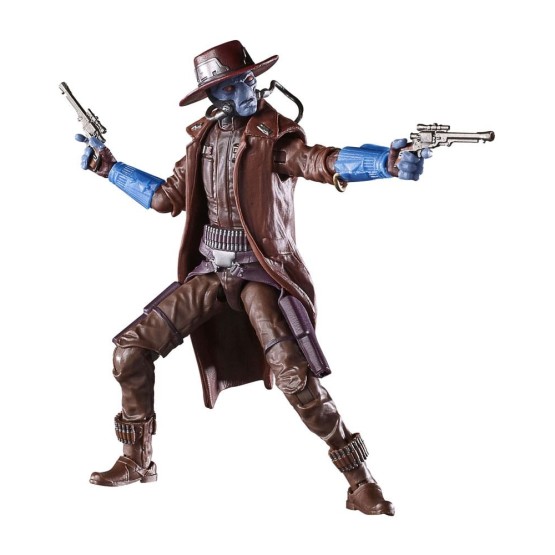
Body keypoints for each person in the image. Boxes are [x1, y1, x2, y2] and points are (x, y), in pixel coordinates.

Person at [76, 40, 427, 516]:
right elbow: (164, 198)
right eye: (230, 86)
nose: (245, 90)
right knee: (129, 351)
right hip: (209, 270)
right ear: (213, 96)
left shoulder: (274, 138)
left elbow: (320, 161)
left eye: (246, 79)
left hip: (259, 272)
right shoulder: (202, 140)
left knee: (294, 376)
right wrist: (110, 168)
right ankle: (137, 459)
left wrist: (384, 163)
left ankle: (359, 480)